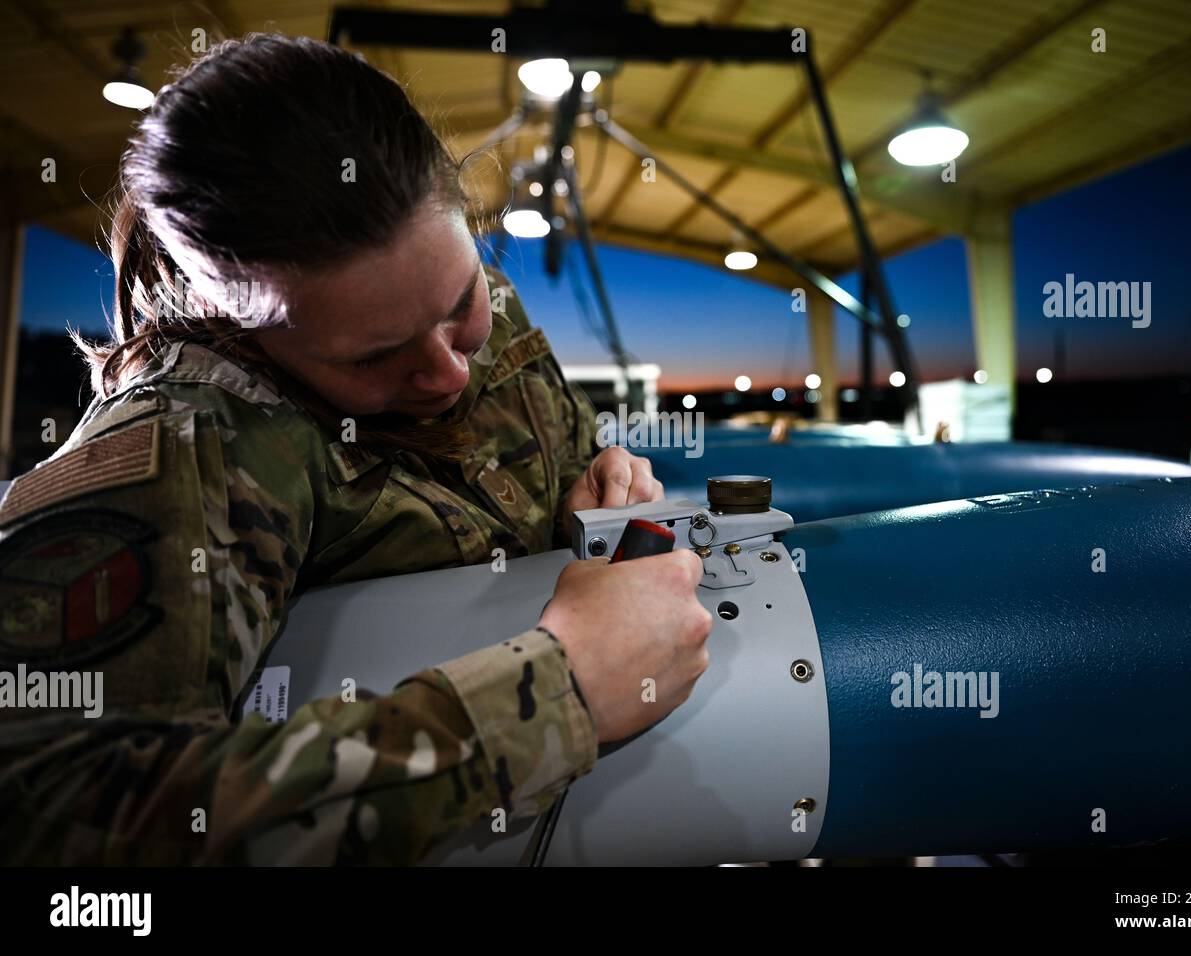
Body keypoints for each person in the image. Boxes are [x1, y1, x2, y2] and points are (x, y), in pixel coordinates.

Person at [0, 34, 712, 865]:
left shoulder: (468, 307)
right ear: (240, 323)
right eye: (374, 357)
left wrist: (596, 488)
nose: (447, 368)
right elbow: (48, 807)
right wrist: (560, 693)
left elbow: (563, 455)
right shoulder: (191, 442)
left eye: (462, 303)